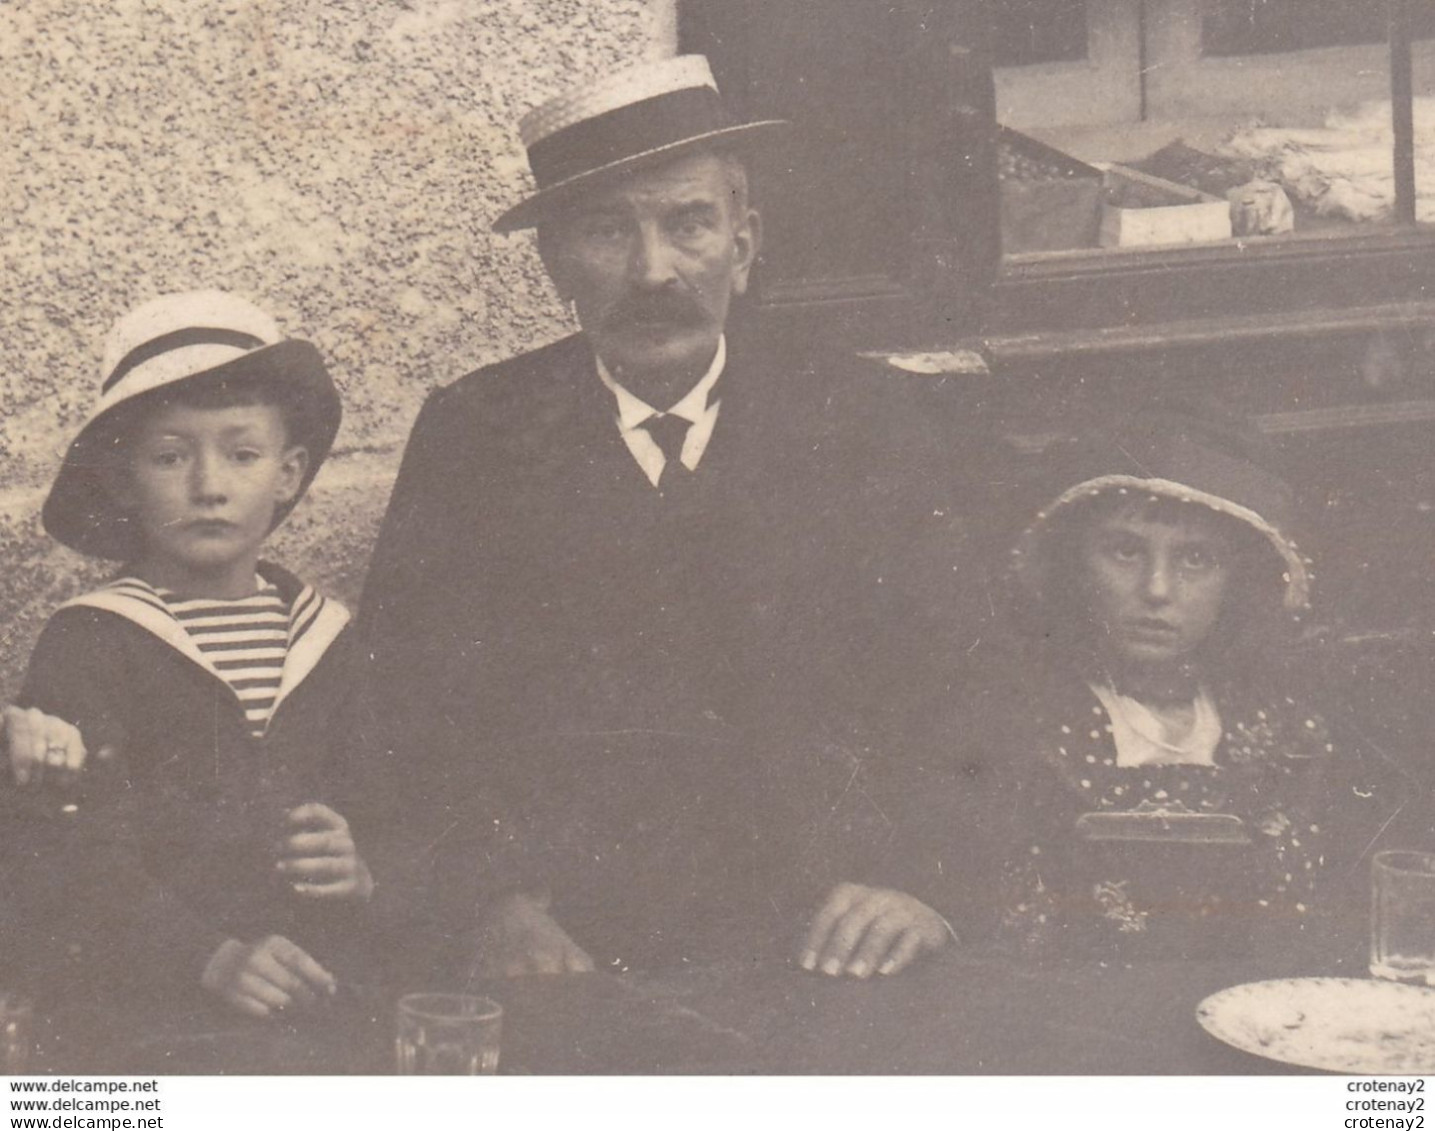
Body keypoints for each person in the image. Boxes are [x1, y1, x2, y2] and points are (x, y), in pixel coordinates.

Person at [356, 55, 975, 978]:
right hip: (569, 944)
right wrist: (487, 903)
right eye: (607, 230)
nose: (653, 271)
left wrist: (922, 885)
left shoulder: (870, 421)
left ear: (745, 239)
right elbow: (402, 709)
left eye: (688, 222)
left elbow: (962, 682)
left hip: (832, 937)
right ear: (552, 261)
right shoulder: (477, 435)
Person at [800, 402, 1416, 970]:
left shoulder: (1291, 731)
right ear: (1074, 563)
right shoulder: (1001, 721)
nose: (1157, 589)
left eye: (1196, 560)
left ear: (1239, 581)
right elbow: (953, 890)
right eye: (1124, 551)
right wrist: (929, 914)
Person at [0, 290, 376, 1019]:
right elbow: (67, 850)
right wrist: (205, 955)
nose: (209, 486)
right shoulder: (93, 639)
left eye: (242, 454)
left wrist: (359, 866)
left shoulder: (326, 634)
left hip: (309, 992)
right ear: (122, 480)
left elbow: (385, 800)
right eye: (170, 456)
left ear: (289, 473)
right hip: (147, 1003)